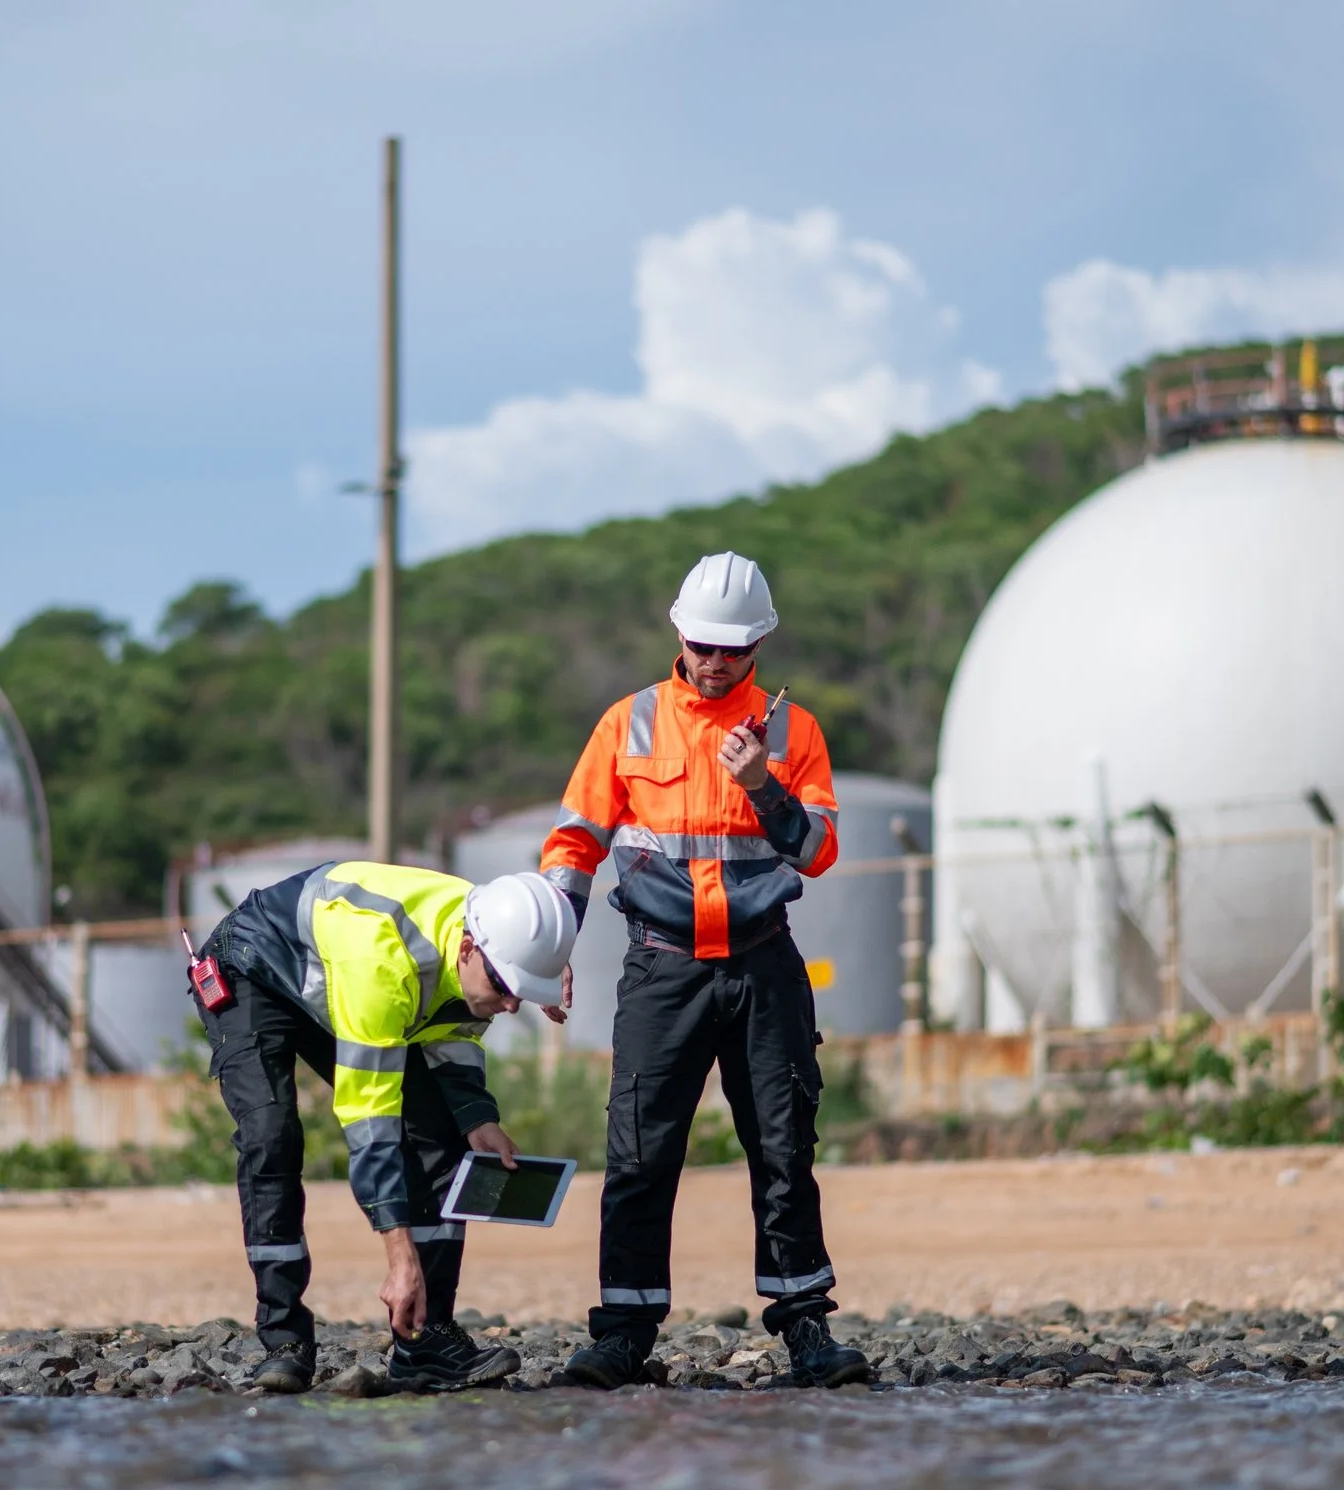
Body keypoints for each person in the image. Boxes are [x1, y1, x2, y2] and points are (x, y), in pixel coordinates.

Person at [537, 551, 871, 1390]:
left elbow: (818, 850)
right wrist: (547, 948)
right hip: (663, 966)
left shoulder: (792, 733)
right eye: (701, 643)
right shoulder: (628, 723)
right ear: (677, 632)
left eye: (731, 647)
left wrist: (763, 784)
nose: (714, 660)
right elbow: (575, 844)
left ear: (759, 644)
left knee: (784, 1148)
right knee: (641, 1152)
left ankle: (805, 1328)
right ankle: (623, 1331)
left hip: (764, 965)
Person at [190, 859, 578, 1394]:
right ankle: (284, 1341)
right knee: (271, 1136)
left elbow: (454, 1035)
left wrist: (477, 1118)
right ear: (467, 949)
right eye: (506, 987)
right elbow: (370, 1121)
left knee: (439, 1136)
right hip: (253, 964)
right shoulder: (384, 964)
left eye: (522, 994)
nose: (511, 1005)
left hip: (333, 978)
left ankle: (427, 1342)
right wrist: (400, 1258)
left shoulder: (489, 943)